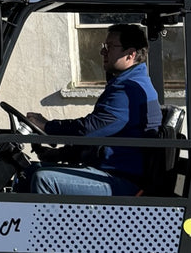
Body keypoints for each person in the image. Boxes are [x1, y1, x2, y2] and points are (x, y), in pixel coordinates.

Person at [24, 22, 160, 197]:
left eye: (110, 47)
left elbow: (88, 130)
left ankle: (40, 225)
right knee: (27, 171)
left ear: (130, 54)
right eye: (104, 46)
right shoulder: (126, 84)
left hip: (121, 179)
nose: (103, 51)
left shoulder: (129, 90)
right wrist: (57, 154)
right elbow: (97, 141)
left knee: (44, 179)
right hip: (109, 170)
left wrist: (47, 126)